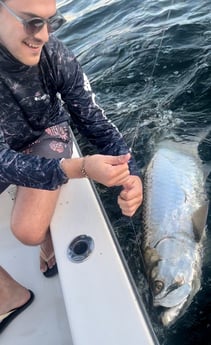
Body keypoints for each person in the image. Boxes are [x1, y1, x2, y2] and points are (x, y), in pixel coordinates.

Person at [0, 0, 143, 332]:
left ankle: (46, 226)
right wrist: (80, 169)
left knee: (29, 231)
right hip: (9, 153)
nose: (44, 35)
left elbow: (95, 121)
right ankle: (8, 295)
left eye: (53, 22)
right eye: (33, 22)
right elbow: (4, 163)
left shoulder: (55, 55)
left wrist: (130, 171)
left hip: (46, 135)